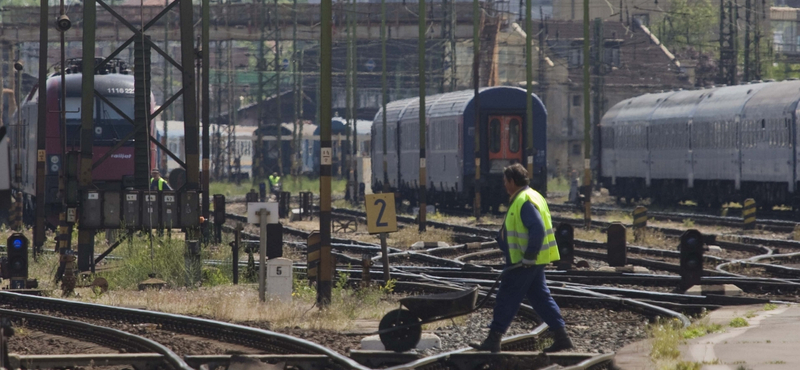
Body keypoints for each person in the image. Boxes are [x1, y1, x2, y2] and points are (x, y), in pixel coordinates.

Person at [470, 163, 573, 353]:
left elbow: (537, 229)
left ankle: (493, 340)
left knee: (506, 297)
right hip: (533, 261)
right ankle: (562, 336)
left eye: (505, 181)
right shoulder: (533, 195)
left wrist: (529, 256)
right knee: (541, 298)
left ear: (511, 181)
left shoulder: (523, 200)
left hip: (524, 262)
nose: (504, 185)